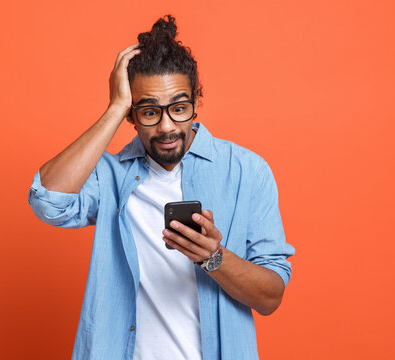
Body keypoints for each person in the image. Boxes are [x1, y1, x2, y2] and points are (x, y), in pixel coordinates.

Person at [28, 14, 295, 360]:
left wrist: (213, 258)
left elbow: (271, 296)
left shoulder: (246, 171)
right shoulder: (111, 175)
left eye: (179, 108)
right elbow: (48, 201)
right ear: (132, 116)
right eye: (150, 112)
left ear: (196, 103)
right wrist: (114, 107)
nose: (167, 127)